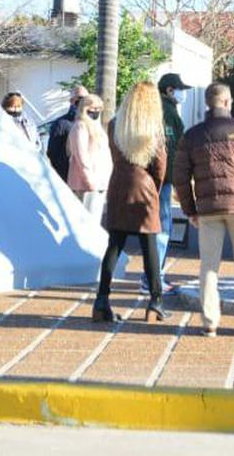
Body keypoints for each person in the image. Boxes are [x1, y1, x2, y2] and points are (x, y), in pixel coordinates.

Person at [174, 82, 234, 338]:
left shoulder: (192, 135)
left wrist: (189, 209)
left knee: (209, 266)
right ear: (228, 102)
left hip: (207, 209)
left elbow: (181, 176)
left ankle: (209, 322)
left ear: (208, 103)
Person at [91, 82, 168, 324]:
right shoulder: (153, 129)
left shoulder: (114, 125)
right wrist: (153, 187)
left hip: (118, 186)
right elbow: (160, 165)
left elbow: (115, 156)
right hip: (144, 187)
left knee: (114, 246)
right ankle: (155, 301)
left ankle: (101, 300)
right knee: (150, 247)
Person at [151, 73, 190, 296]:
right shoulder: (164, 111)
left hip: (163, 178)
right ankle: (154, 278)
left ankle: (154, 277)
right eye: (179, 88)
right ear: (169, 90)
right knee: (161, 229)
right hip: (162, 179)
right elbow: (169, 147)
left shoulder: (167, 109)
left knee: (158, 228)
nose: (182, 93)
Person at [66, 94, 111, 206]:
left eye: (98, 109)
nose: (96, 111)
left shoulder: (97, 127)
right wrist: (90, 181)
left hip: (100, 183)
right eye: (93, 108)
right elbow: (81, 157)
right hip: (86, 185)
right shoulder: (80, 126)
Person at [47, 85, 90, 181]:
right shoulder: (61, 124)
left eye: (86, 98)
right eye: (80, 98)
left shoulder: (92, 123)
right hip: (67, 178)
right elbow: (53, 154)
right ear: (71, 101)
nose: (83, 102)